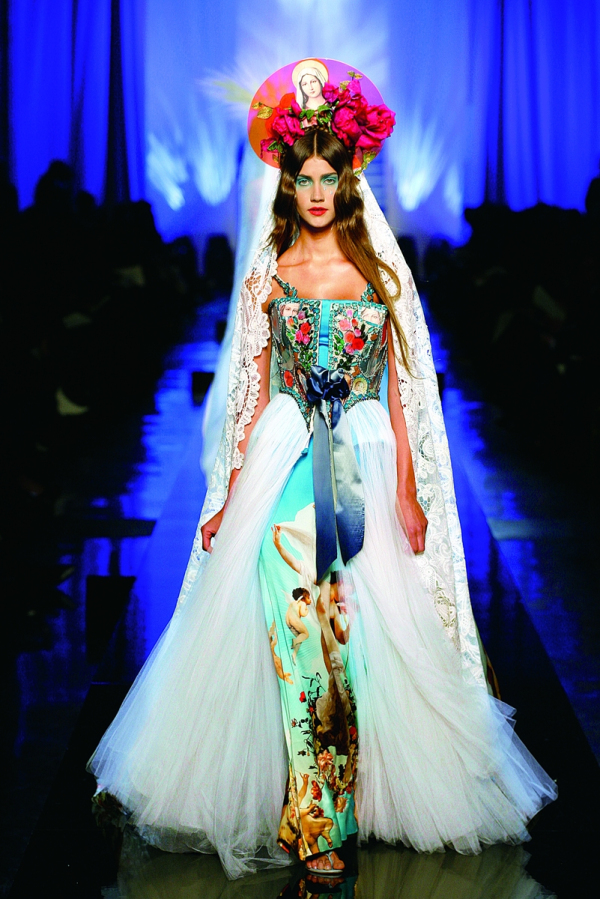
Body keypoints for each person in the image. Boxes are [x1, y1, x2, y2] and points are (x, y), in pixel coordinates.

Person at [88, 61, 557, 882]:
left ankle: (345, 797)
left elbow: (405, 388)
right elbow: (252, 387)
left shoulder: (379, 273)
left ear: (347, 182)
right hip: (286, 453)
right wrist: (228, 493)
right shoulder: (271, 273)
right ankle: (315, 816)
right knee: (294, 622)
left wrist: (408, 489)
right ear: (288, 184)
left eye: (326, 177)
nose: (314, 191)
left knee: (356, 635)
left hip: (363, 458)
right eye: (301, 178)